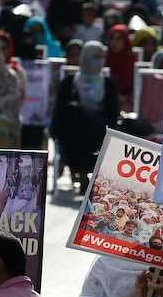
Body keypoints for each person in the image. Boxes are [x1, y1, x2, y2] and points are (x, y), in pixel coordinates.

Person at [51, 41, 119, 193]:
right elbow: (60, 111)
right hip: (74, 132)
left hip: (99, 130)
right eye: (95, 57)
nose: (99, 61)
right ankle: (80, 172)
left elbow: (112, 112)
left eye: (102, 57)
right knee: (74, 113)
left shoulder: (107, 84)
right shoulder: (70, 83)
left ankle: (86, 173)